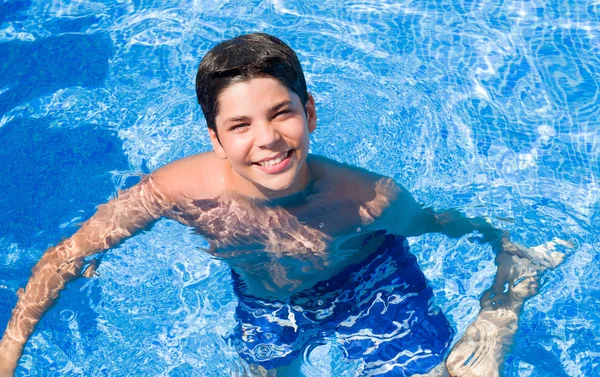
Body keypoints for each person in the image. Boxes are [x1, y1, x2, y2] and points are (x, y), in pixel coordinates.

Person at [0, 33, 566, 377]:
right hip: (268, 303)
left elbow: (444, 224)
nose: (267, 139)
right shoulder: (177, 191)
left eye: (281, 113)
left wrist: (504, 292)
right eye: (240, 125)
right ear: (216, 139)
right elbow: (67, 256)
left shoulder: (364, 198)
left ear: (310, 113)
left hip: (372, 287)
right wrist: (9, 353)